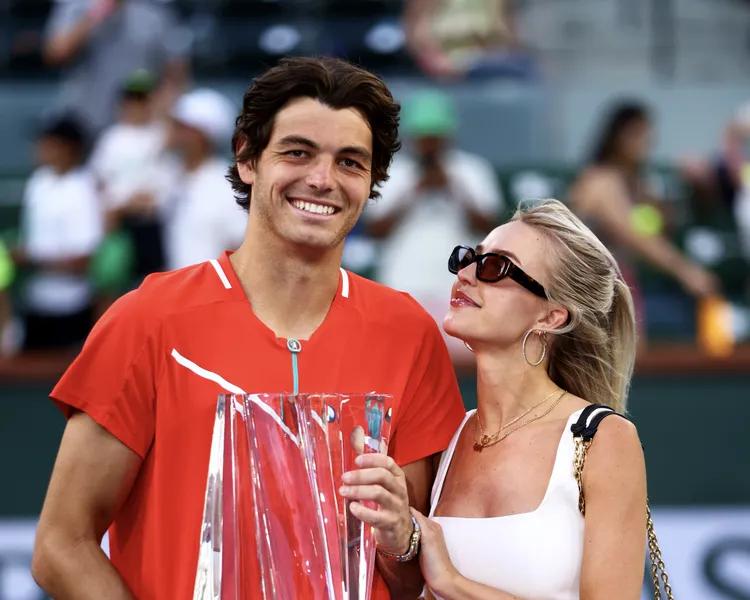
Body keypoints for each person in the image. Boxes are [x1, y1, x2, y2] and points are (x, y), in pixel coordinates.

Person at [31, 57, 465, 600]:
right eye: (298, 152)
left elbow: (408, 575)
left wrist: (403, 542)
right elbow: (62, 544)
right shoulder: (147, 319)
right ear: (247, 158)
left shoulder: (408, 333)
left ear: (372, 180)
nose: (322, 179)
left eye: (350, 162)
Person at [407, 199, 647, 599]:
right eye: (470, 258)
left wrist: (452, 584)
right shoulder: (451, 436)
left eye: (496, 267)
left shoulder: (603, 438)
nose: (465, 274)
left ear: (551, 316)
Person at [366, 89, 502, 363]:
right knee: (402, 360)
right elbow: (377, 230)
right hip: (403, 284)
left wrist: (453, 188)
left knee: (469, 360)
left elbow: (489, 227)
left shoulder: (471, 169)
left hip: (457, 286)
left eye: (435, 136)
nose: (429, 144)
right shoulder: (392, 172)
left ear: (448, 135)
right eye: (423, 137)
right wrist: (414, 190)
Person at [569, 101, 719, 323]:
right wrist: (686, 271)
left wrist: (696, 186)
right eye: (636, 134)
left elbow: (663, 227)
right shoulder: (600, 181)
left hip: (621, 284)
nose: (644, 142)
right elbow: (634, 235)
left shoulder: (637, 184)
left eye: (647, 134)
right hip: (587, 289)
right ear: (616, 137)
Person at [14, 114, 103, 350]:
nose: (40, 147)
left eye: (49, 142)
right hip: (35, 304)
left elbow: (83, 261)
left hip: (70, 308)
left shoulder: (83, 189)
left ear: (68, 148)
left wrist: (30, 259)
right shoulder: (38, 182)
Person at [43, 0, 189, 133]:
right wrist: (96, 13)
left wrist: (160, 116)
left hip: (137, 126)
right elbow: (56, 54)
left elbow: (175, 74)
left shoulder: (157, 9)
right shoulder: (77, 4)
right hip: (81, 124)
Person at [89, 69, 168, 280]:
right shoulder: (110, 139)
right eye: (131, 99)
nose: (135, 106)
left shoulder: (162, 135)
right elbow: (99, 182)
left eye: (141, 99)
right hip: (119, 226)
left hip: (152, 225)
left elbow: (166, 185)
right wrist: (120, 206)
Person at [161, 88, 246, 270]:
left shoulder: (226, 185)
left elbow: (240, 244)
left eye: (182, 127)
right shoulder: (171, 175)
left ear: (202, 136)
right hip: (176, 283)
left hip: (211, 286)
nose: (173, 132)